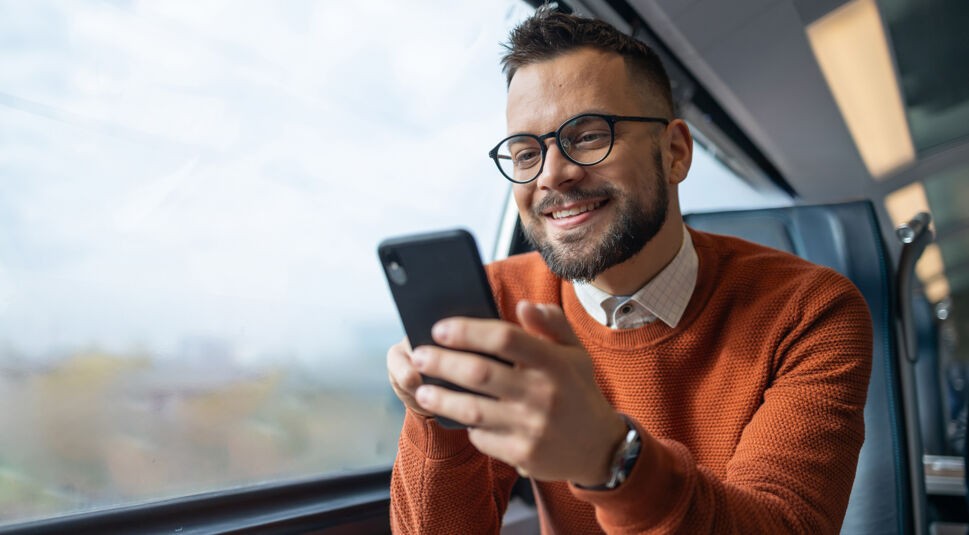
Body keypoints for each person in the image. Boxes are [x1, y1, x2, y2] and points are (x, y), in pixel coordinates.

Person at [386, 7, 872, 534]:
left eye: (589, 135)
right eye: (526, 153)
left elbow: (783, 525)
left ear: (675, 153)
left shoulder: (811, 311)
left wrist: (612, 460)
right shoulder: (501, 302)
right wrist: (437, 415)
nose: (553, 175)